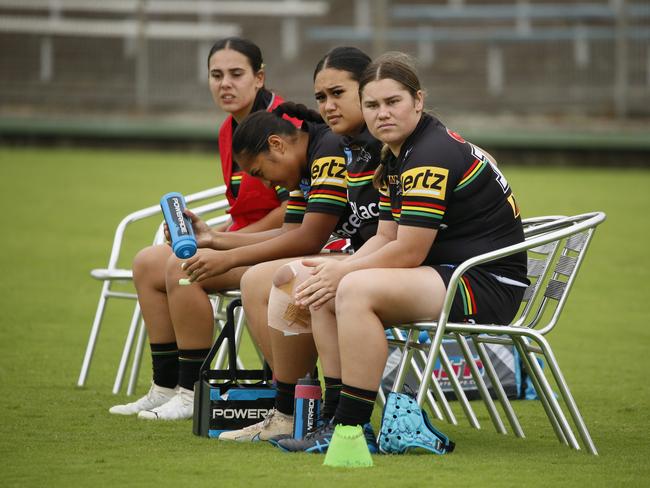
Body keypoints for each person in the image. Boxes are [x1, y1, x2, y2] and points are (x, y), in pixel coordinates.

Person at [276, 52, 529, 452]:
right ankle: (332, 419)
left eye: (393, 102)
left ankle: (351, 431)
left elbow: (408, 251)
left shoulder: (429, 153)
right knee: (321, 287)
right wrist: (333, 270)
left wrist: (345, 274)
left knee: (355, 291)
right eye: (372, 105)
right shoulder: (397, 153)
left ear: (418, 101)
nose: (382, 114)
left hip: (485, 281)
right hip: (448, 270)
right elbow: (386, 237)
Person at [109, 37, 293, 419]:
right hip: (240, 239)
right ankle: (164, 386)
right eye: (216, 75)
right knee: (146, 262)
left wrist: (223, 241)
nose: (225, 83)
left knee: (182, 268)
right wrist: (208, 231)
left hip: (280, 246)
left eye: (236, 74)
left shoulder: (284, 124)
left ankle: (191, 390)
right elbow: (245, 207)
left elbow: (296, 209)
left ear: (259, 78)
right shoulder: (229, 128)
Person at [217, 47, 383, 443]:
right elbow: (294, 231)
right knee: (270, 279)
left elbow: (307, 238)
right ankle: (297, 407)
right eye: (321, 97)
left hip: (428, 272)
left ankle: (298, 408)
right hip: (378, 261)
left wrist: (226, 255)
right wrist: (214, 241)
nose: (328, 105)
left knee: (280, 280)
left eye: (337, 93)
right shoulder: (351, 146)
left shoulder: (337, 148)